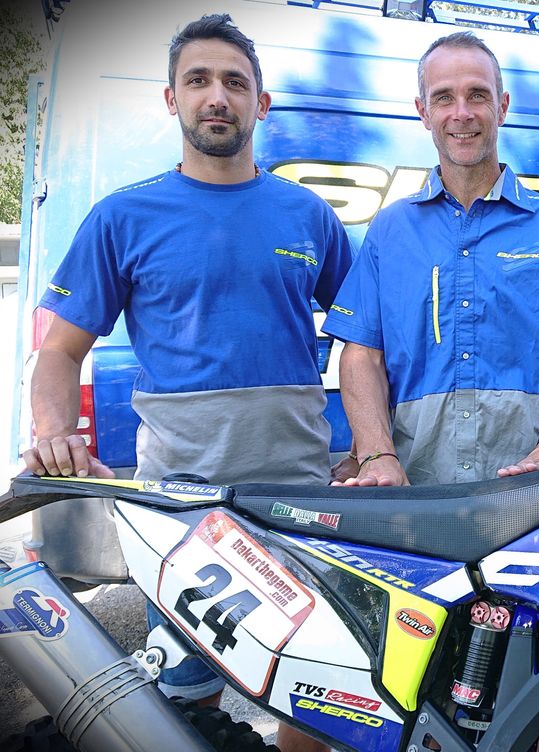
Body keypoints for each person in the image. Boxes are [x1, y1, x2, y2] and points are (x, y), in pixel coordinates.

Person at [21, 15, 351, 752]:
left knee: (312, 699)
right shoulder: (122, 216)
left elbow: (369, 340)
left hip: (299, 502)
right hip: (182, 510)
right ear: (172, 99)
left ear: (261, 102)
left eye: (235, 82)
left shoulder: (308, 214)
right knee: (183, 704)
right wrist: (53, 433)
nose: (217, 97)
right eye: (198, 81)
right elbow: (58, 351)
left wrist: (373, 443)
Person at [324, 31, 539, 487]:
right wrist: (376, 454)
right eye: (444, 97)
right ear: (423, 111)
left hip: (531, 489)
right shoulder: (390, 230)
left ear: (502, 106)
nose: (461, 113)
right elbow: (362, 355)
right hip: (415, 491)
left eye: (477, 95)